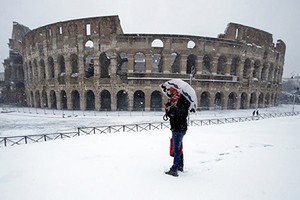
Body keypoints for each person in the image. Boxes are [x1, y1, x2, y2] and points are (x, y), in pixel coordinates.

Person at [164, 87, 190, 177]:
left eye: (171, 91)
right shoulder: (174, 101)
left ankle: (174, 169)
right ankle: (180, 166)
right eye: (170, 91)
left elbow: (182, 114)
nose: (170, 93)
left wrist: (172, 109)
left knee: (176, 149)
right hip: (175, 127)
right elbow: (171, 115)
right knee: (178, 148)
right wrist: (168, 109)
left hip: (180, 128)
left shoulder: (183, 100)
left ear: (176, 91)